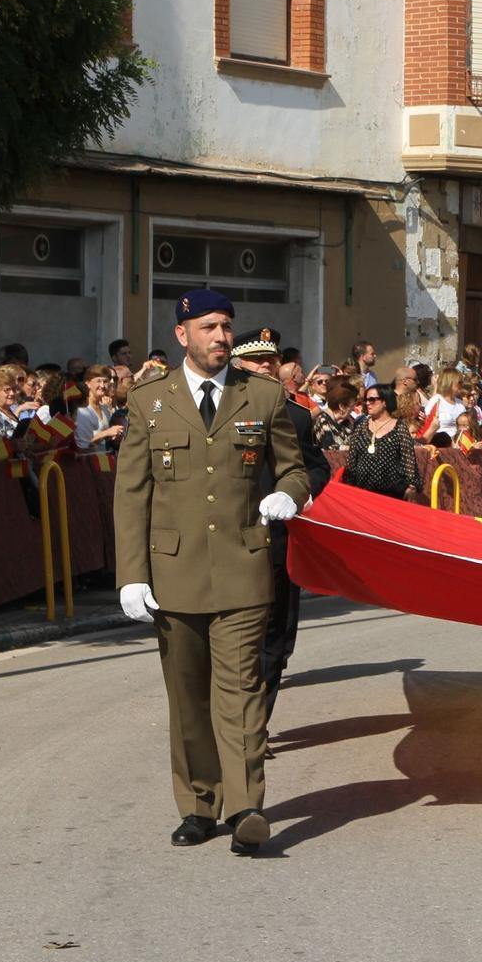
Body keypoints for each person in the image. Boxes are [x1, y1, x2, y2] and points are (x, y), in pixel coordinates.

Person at [114, 291, 308, 856]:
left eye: (226, 327)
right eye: (209, 327)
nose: (221, 337)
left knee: (241, 689)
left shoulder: (264, 395)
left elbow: (295, 471)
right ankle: (200, 804)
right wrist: (132, 574)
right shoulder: (150, 401)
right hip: (173, 572)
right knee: (188, 697)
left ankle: (246, 806)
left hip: (244, 568)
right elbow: (132, 494)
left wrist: (286, 496)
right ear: (183, 335)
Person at [232, 328, 332, 733]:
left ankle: (254, 727)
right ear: (237, 365)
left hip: (277, 542)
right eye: (258, 361)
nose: (267, 367)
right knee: (236, 639)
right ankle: (231, 723)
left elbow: (318, 466)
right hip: (228, 542)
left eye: (271, 361)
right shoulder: (214, 409)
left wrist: (298, 494)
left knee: (276, 640)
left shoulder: (295, 414)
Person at [343, 386, 421, 500]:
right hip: (363, 493)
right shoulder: (360, 427)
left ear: (385, 402)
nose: (368, 403)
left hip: (392, 494)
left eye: (372, 400)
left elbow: (408, 459)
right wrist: (349, 487)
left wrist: (412, 486)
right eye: (366, 400)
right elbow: (351, 461)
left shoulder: (399, 427)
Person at [73, 366, 126, 452]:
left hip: (105, 459)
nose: (102, 385)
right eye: (98, 381)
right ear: (88, 383)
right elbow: (83, 445)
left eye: (105, 381)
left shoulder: (104, 408)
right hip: (88, 460)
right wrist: (107, 433)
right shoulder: (83, 411)